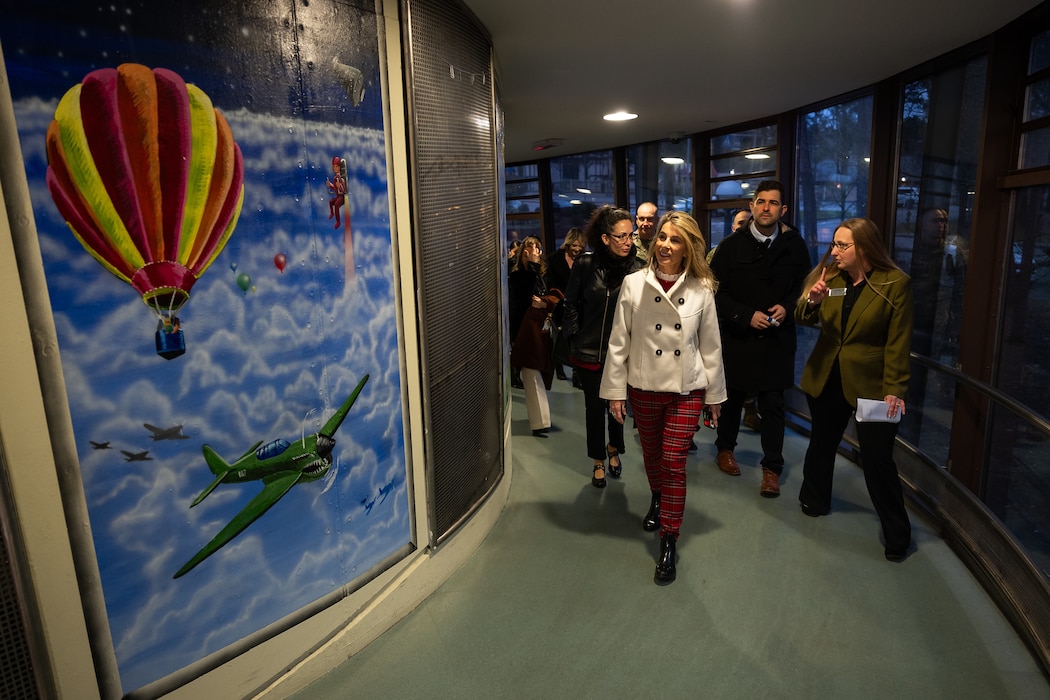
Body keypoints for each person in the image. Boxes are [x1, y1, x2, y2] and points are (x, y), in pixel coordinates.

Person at [601, 211, 726, 584]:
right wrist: (614, 392)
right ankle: (657, 496)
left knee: (673, 460)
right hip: (643, 384)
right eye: (663, 238)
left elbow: (711, 346)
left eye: (675, 240)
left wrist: (715, 396)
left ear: (688, 249)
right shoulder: (633, 284)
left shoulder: (702, 289)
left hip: (686, 388)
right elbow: (619, 342)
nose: (665, 245)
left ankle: (669, 537)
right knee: (653, 454)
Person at [795, 217, 913, 562]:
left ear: (863, 248)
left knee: (877, 460)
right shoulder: (829, 277)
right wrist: (813, 300)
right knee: (821, 444)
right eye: (834, 244)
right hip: (827, 375)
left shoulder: (895, 283)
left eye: (841, 245)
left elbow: (898, 342)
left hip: (873, 385)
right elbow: (802, 317)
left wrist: (895, 388)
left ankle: (897, 534)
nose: (834, 251)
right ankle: (814, 499)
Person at [709, 180, 810, 497]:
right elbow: (715, 294)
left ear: (783, 209)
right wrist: (744, 315)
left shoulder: (795, 245)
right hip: (739, 337)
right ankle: (725, 449)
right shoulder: (729, 246)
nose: (766, 208)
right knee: (732, 400)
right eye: (761, 201)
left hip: (777, 340)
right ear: (752, 206)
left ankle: (772, 469)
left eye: (773, 203)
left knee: (773, 405)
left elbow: (803, 289)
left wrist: (788, 307)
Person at [562, 206, 644, 488]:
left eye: (629, 236)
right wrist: (574, 337)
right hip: (587, 353)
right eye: (620, 236)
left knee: (617, 408)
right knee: (594, 409)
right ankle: (598, 459)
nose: (627, 242)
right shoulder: (586, 264)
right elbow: (570, 303)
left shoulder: (638, 269)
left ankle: (614, 449)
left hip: (620, 356)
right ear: (605, 238)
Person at [508, 237, 562, 437]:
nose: (535, 254)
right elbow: (521, 299)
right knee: (531, 373)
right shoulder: (518, 276)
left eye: (537, 250)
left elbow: (553, 294)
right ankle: (540, 421)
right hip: (524, 329)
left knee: (536, 372)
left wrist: (545, 303)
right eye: (531, 251)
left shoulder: (542, 274)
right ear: (523, 253)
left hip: (540, 328)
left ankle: (541, 420)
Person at [547, 228, 586, 381]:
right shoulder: (554, 260)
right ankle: (559, 365)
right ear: (568, 244)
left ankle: (576, 370)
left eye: (580, 246)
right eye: (574, 245)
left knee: (576, 337)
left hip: (578, 305)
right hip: (559, 303)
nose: (576, 249)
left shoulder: (584, 260)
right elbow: (551, 284)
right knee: (560, 337)